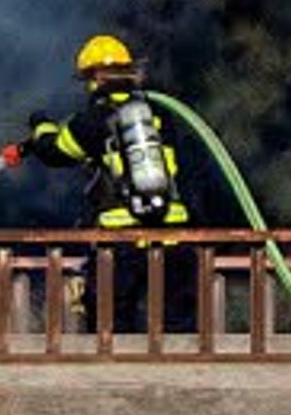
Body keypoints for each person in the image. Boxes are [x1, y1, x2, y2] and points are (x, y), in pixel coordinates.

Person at [21, 34, 196, 339]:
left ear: (92, 79)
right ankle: (182, 380)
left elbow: (54, 151)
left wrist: (40, 124)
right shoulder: (161, 112)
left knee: (111, 326)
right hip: (173, 233)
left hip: (121, 239)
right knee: (180, 328)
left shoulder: (92, 119)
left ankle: (119, 383)